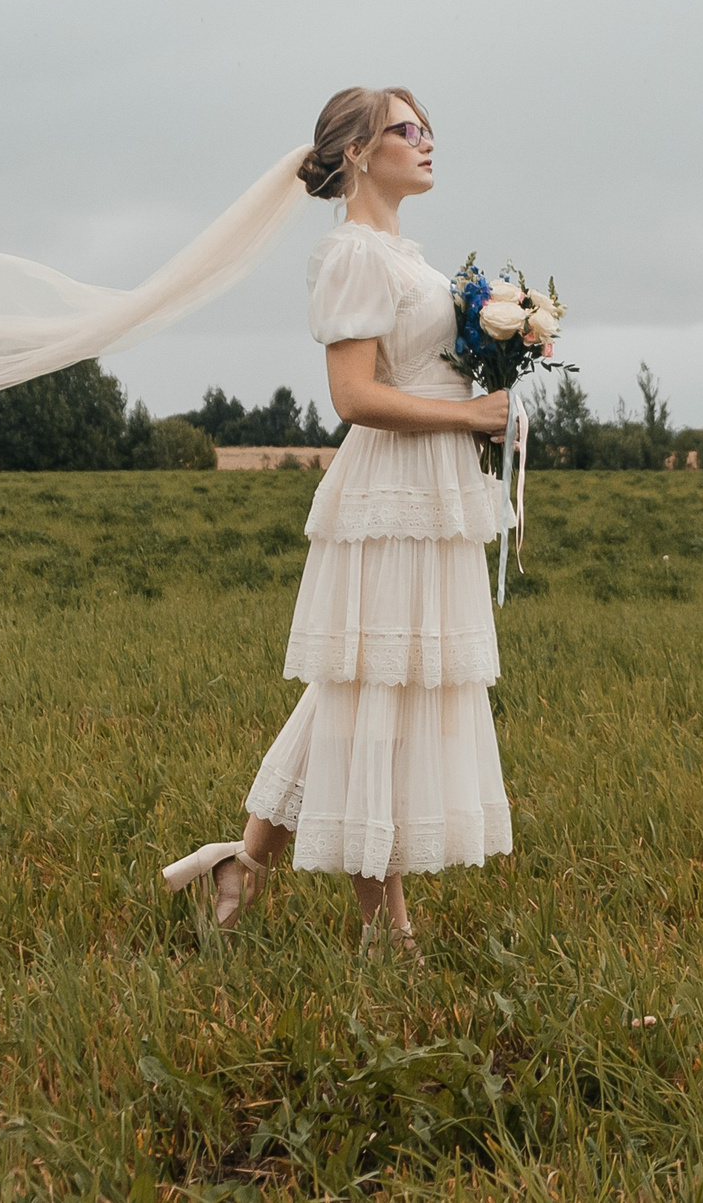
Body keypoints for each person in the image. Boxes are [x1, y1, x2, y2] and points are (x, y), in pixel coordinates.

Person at [159, 87, 514, 957]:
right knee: (371, 697)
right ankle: (386, 932)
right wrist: (472, 417)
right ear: (357, 151)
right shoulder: (353, 255)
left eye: (429, 128)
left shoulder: (409, 257)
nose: (426, 141)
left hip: (431, 494)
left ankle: (238, 866)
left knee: (365, 689)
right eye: (406, 129)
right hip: (389, 494)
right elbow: (353, 396)